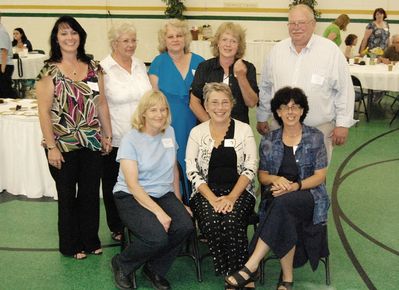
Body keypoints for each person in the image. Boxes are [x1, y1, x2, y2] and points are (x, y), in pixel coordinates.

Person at [226, 87, 329, 290]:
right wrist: (276, 179)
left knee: (282, 204)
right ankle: (287, 279)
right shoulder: (269, 140)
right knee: (283, 210)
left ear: (302, 111)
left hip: (309, 196)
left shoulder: (315, 137)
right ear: (278, 112)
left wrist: (294, 186)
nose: (290, 112)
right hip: (277, 195)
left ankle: (250, 266)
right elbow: (262, 176)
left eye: (295, 107)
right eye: (284, 107)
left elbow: (320, 176)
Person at [36, 15, 112, 260]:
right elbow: (44, 111)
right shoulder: (49, 70)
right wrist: (51, 147)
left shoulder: (93, 68)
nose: (70, 38)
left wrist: (107, 134)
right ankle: (71, 245)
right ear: (56, 39)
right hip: (62, 144)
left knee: (90, 194)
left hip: (91, 140)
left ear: (80, 37)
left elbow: (101, 104)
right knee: (67, 196)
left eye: (73, 33)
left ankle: (90, 241)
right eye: (64, 33)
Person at [111, 90, 193, 290]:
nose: (159, 114)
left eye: (163, 109)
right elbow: (133, 185)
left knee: (185, 226)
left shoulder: (170, 132)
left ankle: (154, 268)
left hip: (163, 192)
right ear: (144, 113)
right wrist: (160, 213)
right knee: (156, 236)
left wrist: (179, 202)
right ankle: (122, 263)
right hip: (131, 195)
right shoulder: (130, 139)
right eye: (153, 110)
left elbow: (173, 169)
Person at [256, 4, 355, 162]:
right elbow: (266, 86)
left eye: (301, 23)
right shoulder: (276, 51)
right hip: (280, 128)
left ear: (313, 24)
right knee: (279, 173)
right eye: (292, 23)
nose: (296, 28)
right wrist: (262, 116)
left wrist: (342, 124)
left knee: (315, 178)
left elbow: (344, 90)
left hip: (319, 129)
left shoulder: (330, 51)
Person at [186, 82, 258, 289]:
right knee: (210, 220)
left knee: (233, 219)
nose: (220, 107)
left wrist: (231, 197)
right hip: (205, 192)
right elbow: (192, 169)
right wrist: (213, 199)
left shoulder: (244, 130)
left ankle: (238, 273)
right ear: (206, 106)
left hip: (239, 190)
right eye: (214, 102)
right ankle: (237, 272)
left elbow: (250, 167)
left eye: (225, 102)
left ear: (232, 104)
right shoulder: (197, 133)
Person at [100, 22, 151, 242]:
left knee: (140, 181)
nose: (131, 45)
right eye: (126, 41)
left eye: (133, 40)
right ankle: (117, 225)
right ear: (114, 43)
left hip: (143, 137)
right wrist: (106, 134)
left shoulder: (140, 65)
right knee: (114, 182)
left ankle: (140, 220)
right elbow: (99, 103)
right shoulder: (103, 68)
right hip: (117, 137)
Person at [148, 19, 204, 194]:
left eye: (179, 35)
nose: (175, 39)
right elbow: (154, 98)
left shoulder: (199, 62)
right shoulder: (158, 62)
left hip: (196, 123)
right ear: (164, 40)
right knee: (171, 164)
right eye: (170, 36)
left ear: (185, 38)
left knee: (196, 163)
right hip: (168, 125)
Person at [190, 22, 259, 124]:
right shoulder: (204, 67)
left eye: (233, 41)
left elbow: (252, 102)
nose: (228, 45)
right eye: (224, 40)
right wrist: (211, 126)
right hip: (208, 129)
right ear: (218, 42)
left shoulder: (248, 68)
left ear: (239, 45)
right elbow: (194, 103)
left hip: (238, 130)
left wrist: (241, 76)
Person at [0, 15, 17, 98]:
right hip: (4, 64)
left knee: (5, 91)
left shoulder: (1, 32)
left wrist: (3, 68)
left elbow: (4, 50)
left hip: (4, 64)